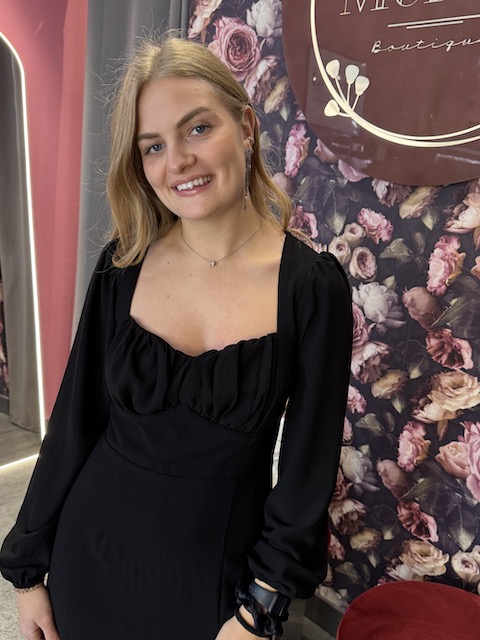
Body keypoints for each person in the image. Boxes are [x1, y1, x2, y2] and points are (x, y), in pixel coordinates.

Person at [0, 35, 352, 640]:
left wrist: (259, 607)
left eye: (198, 129)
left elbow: (306, 470)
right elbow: (75, 423)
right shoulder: (123, 265)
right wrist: (28, 572)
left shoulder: (311, 286)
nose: (178, 162)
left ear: (246, 127)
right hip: (91, 558)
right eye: (154, 146)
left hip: (215, 588)